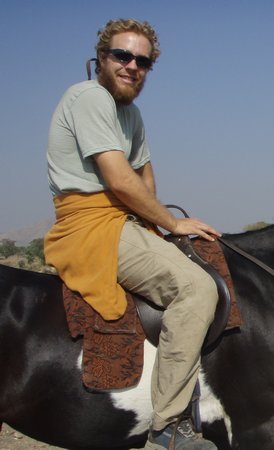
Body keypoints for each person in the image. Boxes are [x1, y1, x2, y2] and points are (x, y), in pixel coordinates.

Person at [44, 19, 218, 450]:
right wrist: (172, 223)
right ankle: (169, 425)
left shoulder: (130, 113)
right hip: (90, 225)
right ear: (101, 58)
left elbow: (144, 174)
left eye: (142, 61)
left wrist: (153, 225)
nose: (132, 66)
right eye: (122, 55)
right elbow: (120, 180)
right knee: (197, 289)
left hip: (124, 220)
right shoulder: (88, 97)